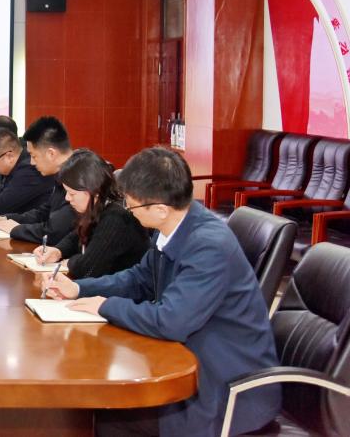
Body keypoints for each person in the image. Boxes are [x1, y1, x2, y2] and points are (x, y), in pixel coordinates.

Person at [41, 147, 281, 437]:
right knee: (98, 405)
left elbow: (171, 321)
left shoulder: (208, 245)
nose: (127, 210)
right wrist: (79, 288)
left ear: (160, 209)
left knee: (108, 416)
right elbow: (140, 279)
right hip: (193, 362)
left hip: (226, 390)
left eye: (131, 206)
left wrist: (105, 306)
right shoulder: (174, 227)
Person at [29, 149, 148, 279]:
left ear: (93, 191)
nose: (67, 198)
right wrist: (58, 251)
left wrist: (69, 262)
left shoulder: (116, 218)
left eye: (72, 193)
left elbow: (88, 268)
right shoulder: (98, 207)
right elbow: (77, 235)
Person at [0, 115, 75, 243]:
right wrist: (4, 219)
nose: (32, 162)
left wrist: (15, 228)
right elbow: (42, 214)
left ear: (51, 153)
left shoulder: (80, 177)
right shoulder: (62, 175)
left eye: (34, 156)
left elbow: (53, 231)